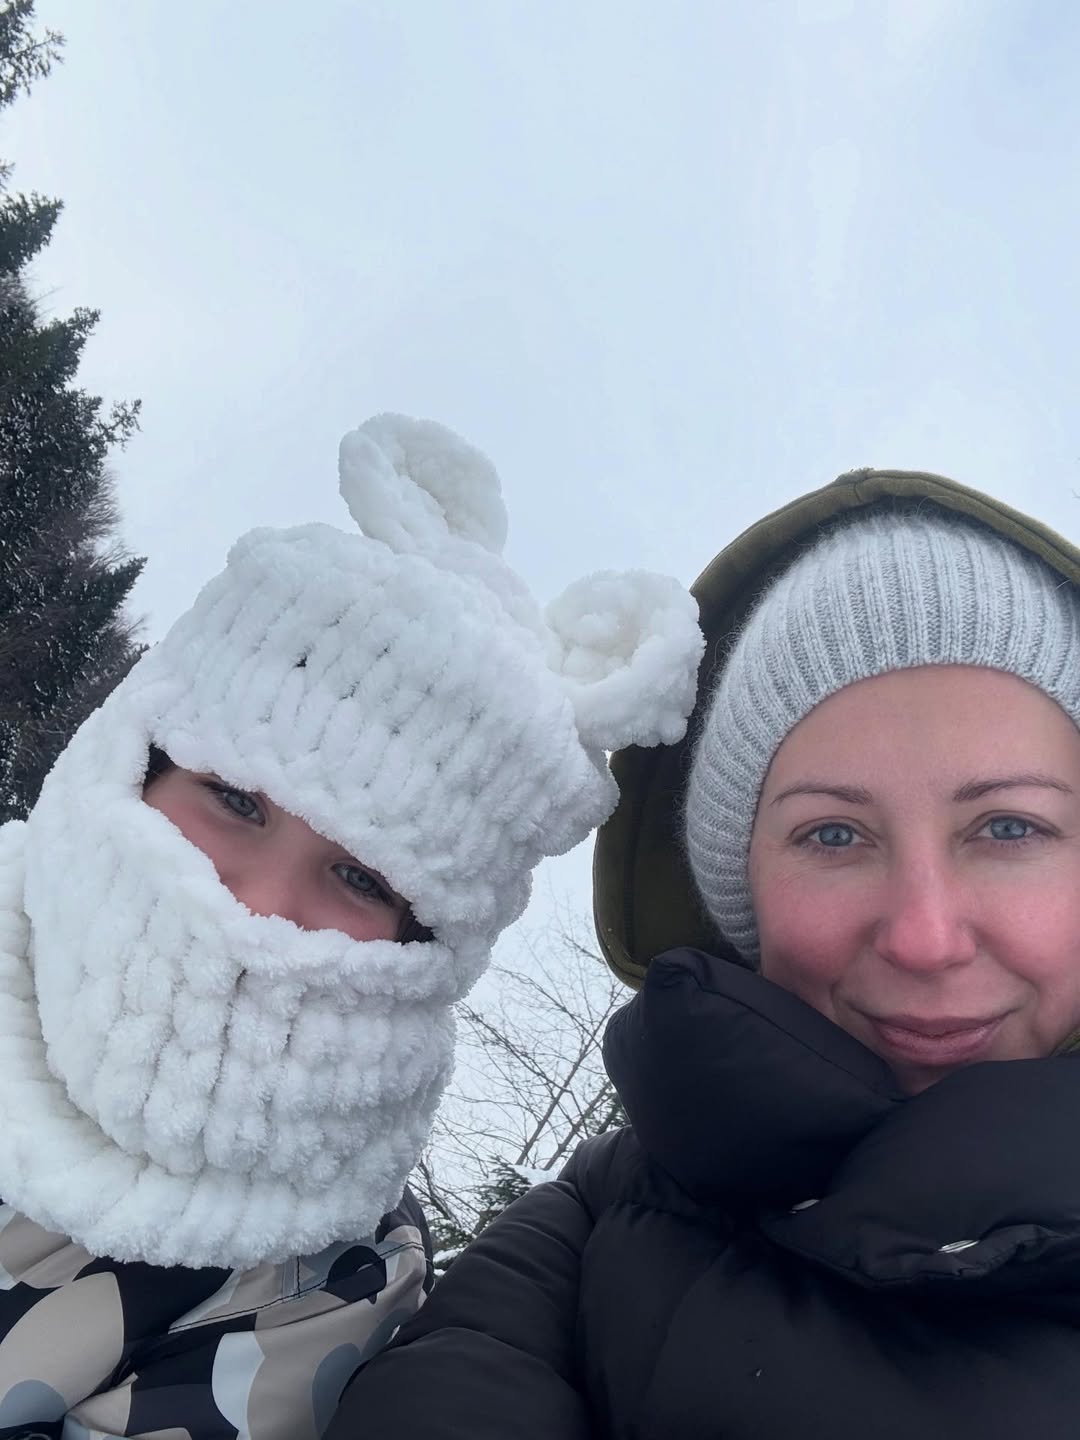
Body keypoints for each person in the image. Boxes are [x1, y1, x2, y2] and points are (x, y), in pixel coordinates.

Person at [329, 465, 1080, 1440]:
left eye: (1009, 828)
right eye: (834, 835)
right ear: (738, 889)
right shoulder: (593, 1224)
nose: (925, 937)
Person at [0, 413, 702, 1439]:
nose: (258, 903)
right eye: (233, 801)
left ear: (432, 947)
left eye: (358, 878)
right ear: (137, 757)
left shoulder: (329, 1282)